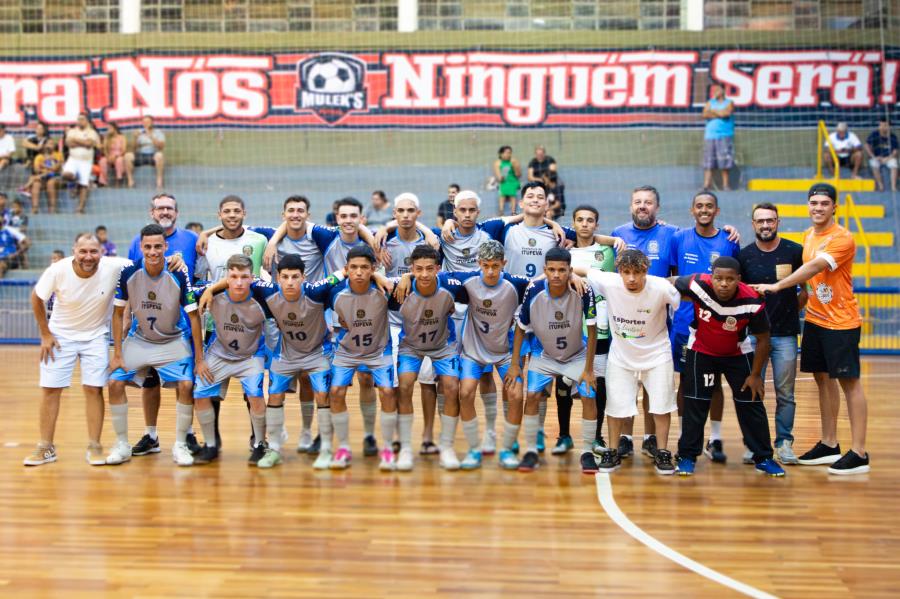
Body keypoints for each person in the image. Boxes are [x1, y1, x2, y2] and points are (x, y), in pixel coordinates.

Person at [752, 182, 869, 475]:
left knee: (849, 383)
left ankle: (859, 451)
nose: (818, 208)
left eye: (824, 203)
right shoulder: (808, 235)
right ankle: (829, 443)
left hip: (841, 323)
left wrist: (777, 287)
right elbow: (809, 284)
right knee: (822, 381)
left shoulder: (842, 238)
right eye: (813, 203)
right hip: (815, 320)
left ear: (834, 207)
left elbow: (815, 268)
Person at [198, 254, 345, 469]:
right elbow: (240, 278)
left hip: (317, 352)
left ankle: (325, 449)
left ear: (304, 277)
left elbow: (344, 273)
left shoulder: (316, 291)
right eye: (285, 277)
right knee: (274, 394)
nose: (290, 282)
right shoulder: (269, 291)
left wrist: (379, 279)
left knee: (323, 394)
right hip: (286, 352)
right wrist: (210, 290)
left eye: (295, 277)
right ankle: (274, 448)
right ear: (277, 278)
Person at [24, 233, 131, 466]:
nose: (88, 256)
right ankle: (45, 447)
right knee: (51, 389)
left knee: (93, 389)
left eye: (94, 251)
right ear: (74, 250)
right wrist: (45, 333)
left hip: (95, 336)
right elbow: (36, 297)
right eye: (83, 251)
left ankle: (95, 446)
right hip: (60, 335)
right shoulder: (58, 270)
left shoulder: (115, 266)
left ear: (102, 252)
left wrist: (175, 259)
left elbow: (145, 262)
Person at [673, 257, 784, 477]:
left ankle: (763, 457)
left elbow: (763, 339)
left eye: (730, 279)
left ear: (739, 280)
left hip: (737, 354)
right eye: (719, 278)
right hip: (702, 351)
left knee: (751, 403)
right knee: (695, 403)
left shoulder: (752, 300)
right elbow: (668, 282)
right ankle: (687, 456)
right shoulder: (696, 283)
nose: (723, 283)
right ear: (711, 277)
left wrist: (755, 375)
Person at [107, 224, 206, 466]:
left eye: (158, 246)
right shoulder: (128, 272)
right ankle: (122, 444)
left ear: (166, 247)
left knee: (185, 385)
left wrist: (200, 359)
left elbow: (194, 317)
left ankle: (181, 443)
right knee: (114, 383)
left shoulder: (178, 273)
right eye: (148, 247)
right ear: (141, 247)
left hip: (173, 339)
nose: (153, 251)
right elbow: (118, 313)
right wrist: (117, 352)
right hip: (140, 339)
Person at [575, 249, 679, 475]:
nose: (631, 278)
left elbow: (687, 297)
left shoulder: (661, 287)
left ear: (646, 271)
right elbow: (578, 267)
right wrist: (573, 275)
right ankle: (612, 450)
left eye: (637, 273)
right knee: (616, 406)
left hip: (657, 354)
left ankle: (662, 451)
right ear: (619, 271)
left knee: (661, 406)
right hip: (621, 356)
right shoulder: (609, 281)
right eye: (626, 272)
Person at [506, 247, 598, 474]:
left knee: (589, 394)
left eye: (562, 270)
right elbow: (520, 328)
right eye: (552, 270)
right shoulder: (534, 289)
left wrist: (588, 369)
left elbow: (593, 329)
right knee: (533, 395)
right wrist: (515, 363)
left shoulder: (583, 290)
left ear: (570, 271)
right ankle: (530, 450)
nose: (557, 275)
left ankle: (587, 451)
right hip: (544, 354)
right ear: (545, 270)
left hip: (576, 353)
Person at [125, 193, 201, 456]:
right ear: (152, 213)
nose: (165, 211)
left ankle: (187, 434)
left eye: (169, 208)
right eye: (160, 208)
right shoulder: (137, 242)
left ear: (176, 213)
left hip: (181, 325)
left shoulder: (192, 240)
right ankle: (151, 435)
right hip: (147, 325)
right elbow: (131, 282)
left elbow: (200, 277)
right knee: (149, 381)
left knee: (185, 382)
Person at [445, 240, 530, 469]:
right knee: (466, 393)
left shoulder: (516, 284)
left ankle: (507, 449)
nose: (491, 271)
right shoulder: (467, 280)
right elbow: (434, 277)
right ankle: (474, 449)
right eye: (486, 265)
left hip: (504, 352)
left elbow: (545, 284)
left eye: (495, 265)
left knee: (516, 395)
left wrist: (573, 276)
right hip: (473, 351)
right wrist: (405, 278)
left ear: (504, 263)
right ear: (478, 263)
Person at [670, 191, 740, 464]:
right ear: (692, 210)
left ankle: (716, 438)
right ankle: (683, 435)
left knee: (715, 384)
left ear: (717, 211)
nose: (704, 210)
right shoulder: (679, 238)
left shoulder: (729, 240)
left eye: (709, 206)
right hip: (685, 323)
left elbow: (735, 278)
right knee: (685, 381)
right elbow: (674, 276)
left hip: (720, 324)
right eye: (699, 205)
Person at [738, 202, 806, 465]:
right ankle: (755, 444)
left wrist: (790, 311)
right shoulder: (744, 256)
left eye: (770, 220)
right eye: (760, 221)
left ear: (778, 222)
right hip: (753, 336)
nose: (765, 225)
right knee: (751, 388)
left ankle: (784, 443)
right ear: (753, 224)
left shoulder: (794, 251)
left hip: (785, 335)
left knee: (785, 391)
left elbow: (806, 292)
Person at [323, 246, 398, 470]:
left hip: (378, 350)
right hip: (346, 350)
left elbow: (413, 279)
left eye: (365, 268)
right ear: (346, 269)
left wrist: (379, 276)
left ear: (373, 269)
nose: (358, 272)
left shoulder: (384, 289)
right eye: (353, 267)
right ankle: (343, 448)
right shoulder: (334, 291)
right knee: (335, 392)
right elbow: (311, 301)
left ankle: (384, 447)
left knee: (386, 391)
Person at [390, 245, 464, 471]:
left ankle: (447, 447)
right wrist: (404, 277)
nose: (423, 274)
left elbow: (480, 280)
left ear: (438, 269)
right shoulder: (399, 288)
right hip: (411, 346)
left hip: (443, 345)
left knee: (451, 387)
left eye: (429, 269)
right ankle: (404, 448)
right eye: (418, 269)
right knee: (404, 386)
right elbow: (369, 279)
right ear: (411, 268)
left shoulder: (452, 286)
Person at [191, 254, 270, 465]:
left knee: (255, 396)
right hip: (219, 353)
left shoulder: (263, 295)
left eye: (244, 277)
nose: (238, 282)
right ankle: (209, 445)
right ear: (226, 276)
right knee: (199, 394)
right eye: (233, 276)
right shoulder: (211, 293)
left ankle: (260, 444)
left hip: (250, 355)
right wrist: (199, 359)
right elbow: (185, 295)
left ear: (252, 278)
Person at [562, 205, 615, 455]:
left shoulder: (608, 251)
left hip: (601, 329)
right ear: (573, 223)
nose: (585, 224)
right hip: (569, 327)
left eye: (590, 220)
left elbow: (603, 278)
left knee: (599, 383)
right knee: (563, 380)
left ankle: (596, 436)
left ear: (596, 224)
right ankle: (564, 435)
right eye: (580, 220)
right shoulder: (564, 253)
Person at [62, 112, 101, 213]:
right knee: (65, 175)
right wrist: (82, 142)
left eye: (82, 119)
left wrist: (75, 140)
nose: (80, 121)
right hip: (73, 159)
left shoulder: (92, 132)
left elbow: (89, 144)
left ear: (87, 120)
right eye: (78, 119)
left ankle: (80, 208)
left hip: (86, 161)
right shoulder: (72, 131)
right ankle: (75, 180)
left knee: (84, 184)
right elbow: (69, 143)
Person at [702, 84, 735, 191]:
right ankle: (707, 185)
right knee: (708, 161)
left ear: (723, 90)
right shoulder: (710, 102)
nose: (715, 91)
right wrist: (719, 112)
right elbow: (705, 114)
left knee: (724, 160)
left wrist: (713, 111)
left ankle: (725, 185)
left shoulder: (729, 102)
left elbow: (726, 113)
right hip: (710, 135)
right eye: (714, 90)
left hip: (724, 135)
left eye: (717, 89)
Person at [125, 115, 165, 189]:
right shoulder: (139, 132)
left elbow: (161, 147)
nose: (146, 123)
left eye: (148, 121)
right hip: (140, 155)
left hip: (153, 154)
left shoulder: (158, 132)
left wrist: (151, 136)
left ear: (152, 123)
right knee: (128, 156)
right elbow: (133, 148)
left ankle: (159, 181)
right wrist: (135, 138)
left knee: (160, 155)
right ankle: (130, 180)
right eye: (144, 122)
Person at [25, 141, 62, 213]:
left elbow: (56, 169)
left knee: (50, 183)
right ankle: (35, 208)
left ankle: (52, 208)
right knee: (36, 184)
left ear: (54, 146)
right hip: (43, 178)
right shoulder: (39, 157)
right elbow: (36, 169)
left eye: (51, 143)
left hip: (56, 178)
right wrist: (47, 170)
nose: (49, 146)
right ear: (44, 146)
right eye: (47, 144)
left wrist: (43, 166)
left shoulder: (58, 155)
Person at [865, 119, 898, 192]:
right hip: (877, 157)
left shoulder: (893, 136)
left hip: (888, 158)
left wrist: (887, 158)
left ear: (889, 127)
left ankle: (893, 187)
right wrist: (873, 156)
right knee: (874, 163)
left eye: (885, 125)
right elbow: (867, 145)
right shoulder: (874, 134)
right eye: (881, 125)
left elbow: (895, 151)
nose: (883, 127)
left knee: (894, 164)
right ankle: (880, 185)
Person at [493, 145, 521, 216]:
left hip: (513, 181)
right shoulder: (497, 163)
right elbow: (498, 177)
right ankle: (501, 211)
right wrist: (501, 176)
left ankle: (513, 212)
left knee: (512, 194)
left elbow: (518, 175)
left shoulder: (514, 161)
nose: (508, 154)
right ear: (501, 154)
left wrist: (514, 167)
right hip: (503, 182)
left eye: (510, 153)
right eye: (506, 152)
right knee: (502, 194)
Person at [98, 122, 127, 187]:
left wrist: (116, 156)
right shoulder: (107, 137)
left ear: (115, 128)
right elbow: (105, 150)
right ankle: (104, 182)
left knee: (119, 161)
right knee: (102, 161)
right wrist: (108, 157)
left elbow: (124, 150)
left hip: (119, 155)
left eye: (110, 128)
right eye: (108, 129)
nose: (108, 130)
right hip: (109, 155)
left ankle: (119, 179)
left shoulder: (122, 137)